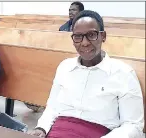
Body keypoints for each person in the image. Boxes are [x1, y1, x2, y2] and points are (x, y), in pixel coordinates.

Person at [30, 10, 144, 138]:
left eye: (91, 34)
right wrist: (41, 128)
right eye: (78, 36)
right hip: (57, 132)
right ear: (73, 40)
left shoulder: (123, 73)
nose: (84, 42)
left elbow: (133, 125)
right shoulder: (65, 67)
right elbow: (52, 107)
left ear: (103, 36)